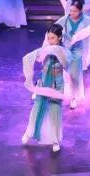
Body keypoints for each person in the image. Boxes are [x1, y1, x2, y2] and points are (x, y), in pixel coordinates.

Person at [22, 24, 70, 153]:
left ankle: (55, 140)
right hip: (44, 82)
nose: (50, 40)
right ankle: (29, 132)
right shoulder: (46, 48)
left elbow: (67, 65)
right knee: (37, 108)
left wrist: (58, 53)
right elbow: (36, 58)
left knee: (55, 111)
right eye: (48, 38)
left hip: (57, 84)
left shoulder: (64, 51)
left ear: (59, 38)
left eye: (53, 38)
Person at [54, 0, 90, 109]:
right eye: (71, 11)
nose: (72, 13)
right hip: (65, 49)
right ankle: (58, 94)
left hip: (77, 51)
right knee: (60, 73)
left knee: (74, 75)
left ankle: (74, 98)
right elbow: (54, 29)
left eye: (75, 11)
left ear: (80, 11)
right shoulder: (65, 19)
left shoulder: (86, 20)